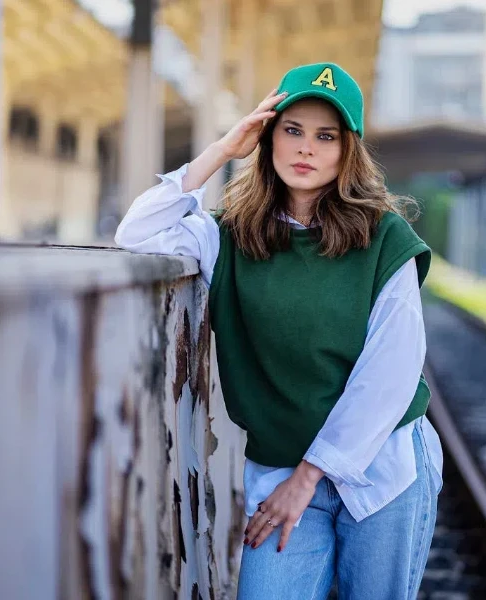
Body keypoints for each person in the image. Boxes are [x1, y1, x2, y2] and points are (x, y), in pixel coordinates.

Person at [114, 62, 444, 599]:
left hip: (382, 470)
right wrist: (222, 149)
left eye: (325, 136)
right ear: (267, 138)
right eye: (292, 130)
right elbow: (137, 232)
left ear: (347, 151)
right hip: (281, 472)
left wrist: (310, 476)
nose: (306, 149)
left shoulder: (385, 238)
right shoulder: (227, 236)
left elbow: (390, 374)